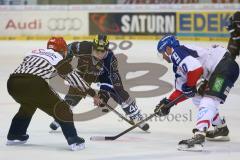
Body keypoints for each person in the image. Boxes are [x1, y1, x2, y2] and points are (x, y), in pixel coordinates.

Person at [154, 11, 240, 151]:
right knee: (197, 97)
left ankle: (199, 135)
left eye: (162, 53)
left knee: (208, 98)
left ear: (168, 48)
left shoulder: (177, 51)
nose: (163, 57)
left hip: (224, 67)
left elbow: (195, 69)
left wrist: (192, 84)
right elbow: (182, 90)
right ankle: (220, 128)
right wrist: (168, 104)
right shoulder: (178, 66)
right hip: (223, 69)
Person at [6, 37, 99, 151]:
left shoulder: (34, 52)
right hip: (33, 83)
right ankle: (73, 139)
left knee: (28, 105)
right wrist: (93, 93)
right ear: (63, 50)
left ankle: (16, 134)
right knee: (62, 108)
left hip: (13, 83)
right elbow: (74, 79)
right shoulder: (57, 57)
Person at [49, 34, 150, 131]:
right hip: (84, 73)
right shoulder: (82, 47)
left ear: (107, 49)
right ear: (92, 46)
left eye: (103, 51)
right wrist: (65, 61)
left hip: (102, 76)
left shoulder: (110, 59)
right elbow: (67, 49)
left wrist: (104, 94)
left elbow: (112, 81)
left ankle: (136, 115)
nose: (99, 54)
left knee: (118, 91)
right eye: (97, 50)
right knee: (76, 91)